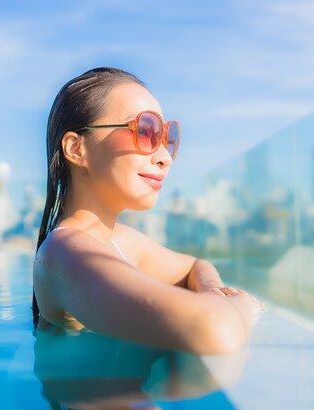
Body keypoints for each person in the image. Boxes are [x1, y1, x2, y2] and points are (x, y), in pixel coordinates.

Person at [32, 67, 264, 355]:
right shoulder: (66, 252)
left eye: (166, 138)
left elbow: (194, 266)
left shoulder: (117, 240)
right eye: (144, 131)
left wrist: (211, 289)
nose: (165, 158)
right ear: (76, 148)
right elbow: (214, 332)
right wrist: (244, 305)